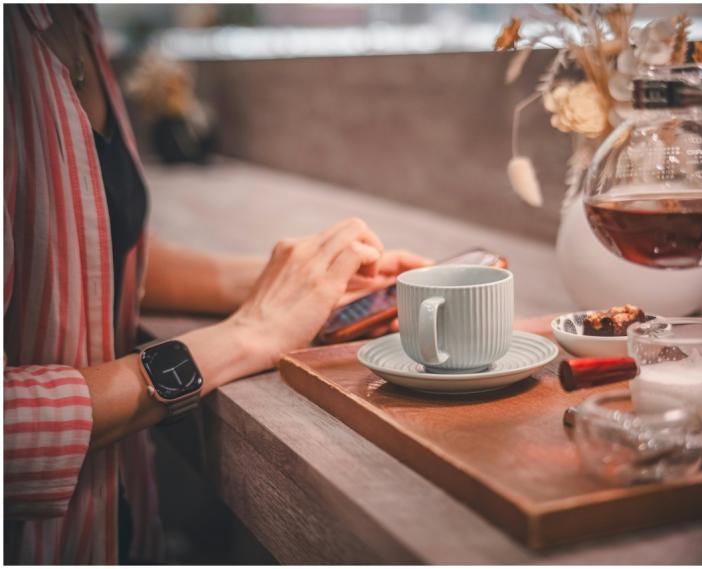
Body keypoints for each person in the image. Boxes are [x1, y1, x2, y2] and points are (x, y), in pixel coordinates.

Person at [4, 5, 429, 564]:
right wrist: (250, 334)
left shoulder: (74, 23)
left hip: (113, 524)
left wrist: (276, 285)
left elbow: (81, 245)